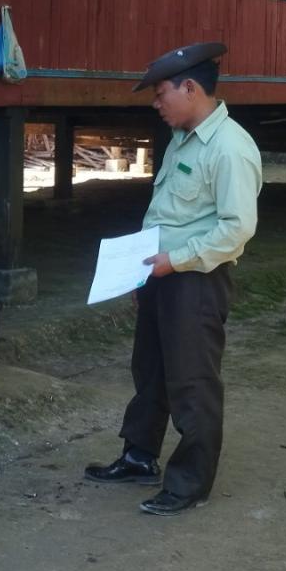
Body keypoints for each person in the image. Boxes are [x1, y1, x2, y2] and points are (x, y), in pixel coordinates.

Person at [83, 43, 263, 516]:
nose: (156, 103)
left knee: (192, 380)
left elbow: (236, 228)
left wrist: (175, 261)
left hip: (196, 279)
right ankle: (139, 456)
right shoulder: (184, 137)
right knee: (151, 371)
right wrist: (145, 266)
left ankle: (190, 483)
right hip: (161, 272)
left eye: (161, 93)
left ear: (190, 89)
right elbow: (167, 212)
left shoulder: (230, 148)